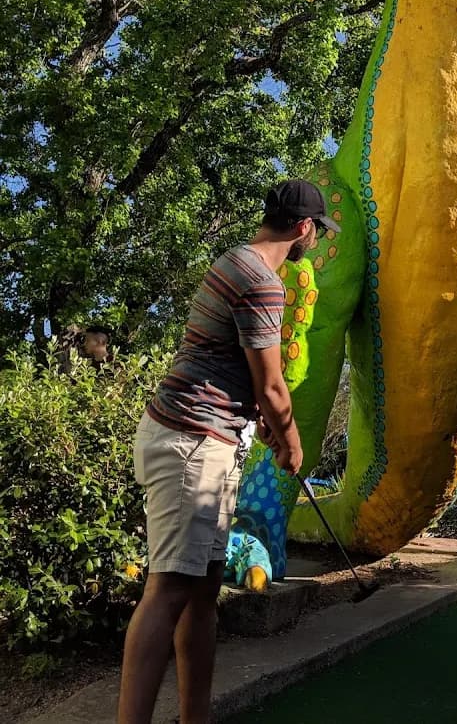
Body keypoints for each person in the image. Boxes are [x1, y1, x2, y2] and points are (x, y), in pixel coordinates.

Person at [117, 179, 340, 724]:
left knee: (203, 590)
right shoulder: (263, 281)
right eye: (318, 230)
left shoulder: (234, 259)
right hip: (192, 444)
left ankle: (196, 716)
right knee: (169, 590)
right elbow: (271, 385)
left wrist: (258, 419)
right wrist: (290, 440)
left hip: (203, 438)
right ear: (305, 228)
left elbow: (239, 371)